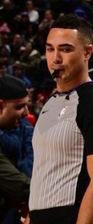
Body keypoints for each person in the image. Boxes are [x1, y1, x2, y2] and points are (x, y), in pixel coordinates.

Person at [29, 14, 93, 224]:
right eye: (50, 49)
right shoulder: (51, 102)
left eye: (66, 49)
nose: (56, 58)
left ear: (87, 52)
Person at [0, 75, 30, 222]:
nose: (26, 113)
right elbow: (19, 186)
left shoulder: (24, 128)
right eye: (19, 107)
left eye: (27, 105)